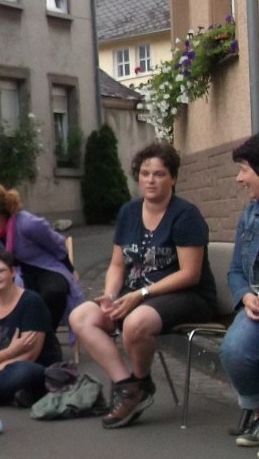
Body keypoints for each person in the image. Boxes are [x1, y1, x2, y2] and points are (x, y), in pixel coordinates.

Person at [69, 140, 216, 429]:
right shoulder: (129, 212)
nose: (150, 180)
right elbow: (117, 264)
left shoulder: (185, 215)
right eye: (145, 173)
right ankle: (129, 386)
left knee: (135, 323)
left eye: (159, 174)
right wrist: (111, 294)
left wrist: (141, 294)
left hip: (185, 296)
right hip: (136, 295)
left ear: (173, 178)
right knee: (81, 316)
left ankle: (139, 380)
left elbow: (190, 274)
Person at [0, 180, 85, 328]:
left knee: (53, 292)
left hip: (45, 268)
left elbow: (56, 244)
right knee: (17, 298)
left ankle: (43, 335)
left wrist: (70, 270)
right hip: (14, 272)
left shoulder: (28, 223)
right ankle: (22, 334)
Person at [0, 251, 61, 406]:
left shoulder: (31, 302)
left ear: (12, 272)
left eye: (1, 271)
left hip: (31, 367)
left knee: (23, 372)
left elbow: (29, 356)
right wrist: (11, 351)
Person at [220, 134, 259, 445]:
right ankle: (257, 412)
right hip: (255, 303)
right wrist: (246, 296)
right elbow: (235, 271)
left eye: (244, 169)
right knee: (236, 349)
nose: (239, 178)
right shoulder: (249, 216)